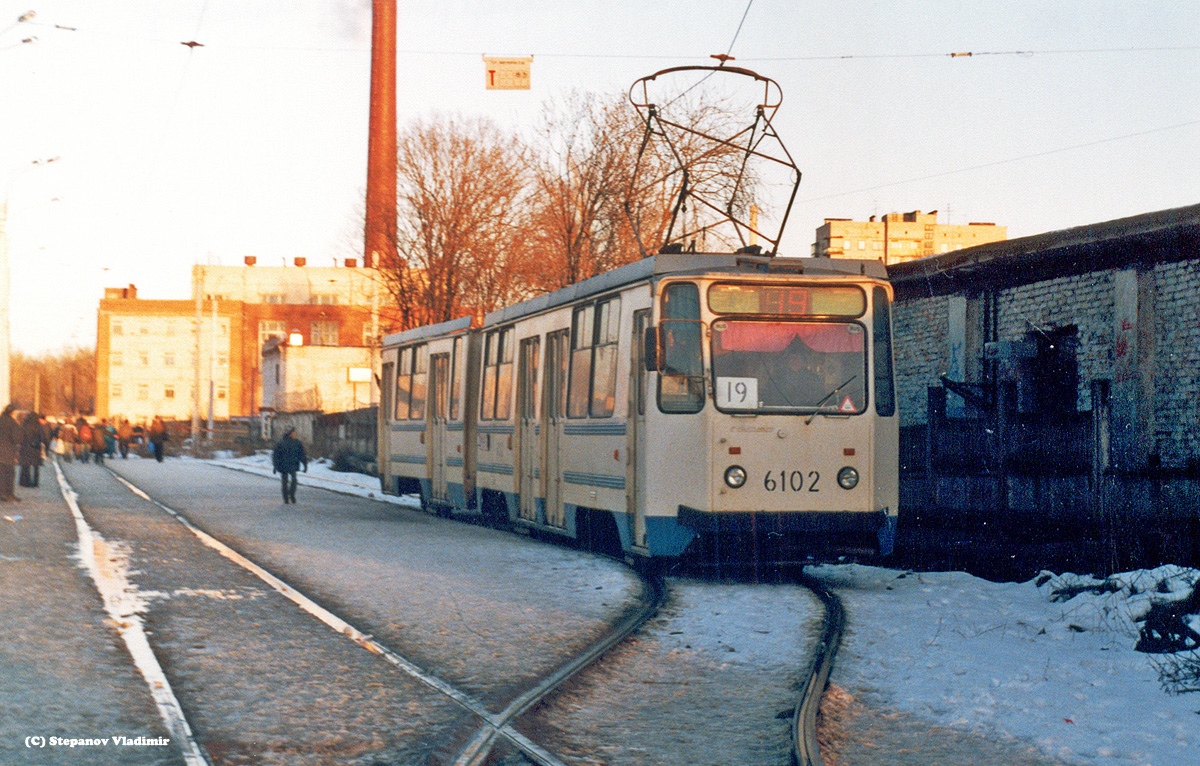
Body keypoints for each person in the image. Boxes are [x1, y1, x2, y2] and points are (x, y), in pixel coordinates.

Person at [271, 426, 308, 504]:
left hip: (288, 465)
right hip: (288, 465)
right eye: (294, 432)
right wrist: (275, 466)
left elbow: (301, 454)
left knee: (289, 481)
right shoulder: (284, 443)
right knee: (289, 480)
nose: (295, 434)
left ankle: (289, 496)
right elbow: (276, 455)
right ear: (290, 433)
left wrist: (305, 464)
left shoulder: (295, 442)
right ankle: (289, 496)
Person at [18, 411, 44, 488]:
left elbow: (20, 437)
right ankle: (35, 482)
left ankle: (24, 481)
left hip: (25, 448)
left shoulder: (24, 425)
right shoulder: (38, 426)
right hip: (35, 448)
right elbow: (42, 437)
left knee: (25, 465)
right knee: (36, 467)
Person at [0, 405, 19, 500]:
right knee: (10, 473)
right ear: (12, 412)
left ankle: (2, 493)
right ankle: (9, 494)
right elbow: (16, 438)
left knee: (1, 473)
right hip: (8, 452)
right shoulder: (12, 423)